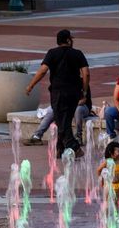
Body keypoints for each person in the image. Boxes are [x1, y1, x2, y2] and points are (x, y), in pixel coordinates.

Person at [25, 29, 89, 159]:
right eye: (71, 39)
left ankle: (75, 147)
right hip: (74, 94)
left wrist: (31, 85)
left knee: (62, 121)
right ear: (68, 40)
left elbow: (43, 71)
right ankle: (60, 149)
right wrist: (84, 90)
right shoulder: (77, 54)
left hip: (58, 93)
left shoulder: (52, 53)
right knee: (64, 120)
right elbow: (86, 73)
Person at [24, 84, 97, 146]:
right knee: (52, 110)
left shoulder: (80, 80)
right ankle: (37, 136)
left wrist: (69, 105)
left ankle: (78, 136)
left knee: (78, 110)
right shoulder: (62, 81)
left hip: (82, 106)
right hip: (67, 106)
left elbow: (82, 101)